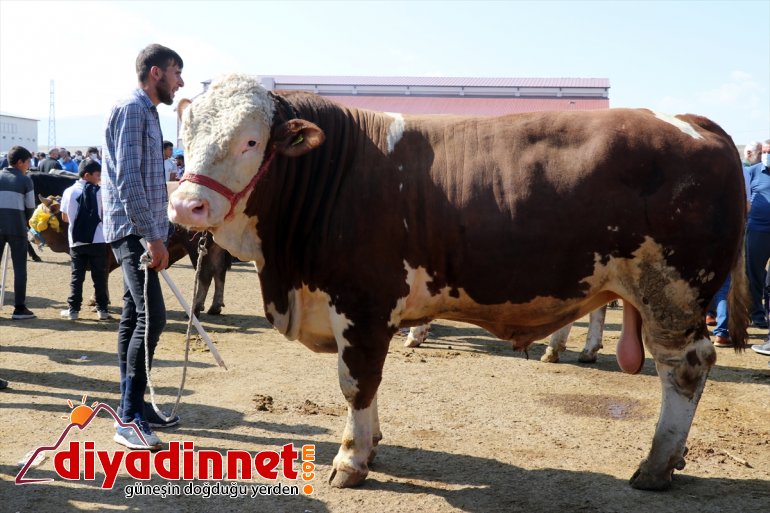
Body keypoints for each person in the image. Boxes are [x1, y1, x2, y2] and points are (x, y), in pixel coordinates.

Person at [102, 43, 184, 450]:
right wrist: (151, 236)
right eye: (176, 72)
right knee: (152, 318)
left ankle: (133, 405)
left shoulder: (148, 112)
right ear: (156, 73)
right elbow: (128, 179)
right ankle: (128, 419)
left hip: (143, 229)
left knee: (135, 316)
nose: (180, 82)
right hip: (134, 231)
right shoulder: (133, 110)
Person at [59, 158, 109, 321]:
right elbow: (104, 214)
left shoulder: (69, 191)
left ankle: (73, 310)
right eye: (97, 175)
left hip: (77, 240)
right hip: (98, 239)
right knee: (99, 276)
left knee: (77, 277)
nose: (99, 178)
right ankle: (102, 310)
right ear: (87, 175)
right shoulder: (100, 192)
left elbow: (65, 217)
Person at [0, 146, 36, 320]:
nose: (29, 165)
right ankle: (19, 309)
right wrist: (23, 220)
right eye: (28, 162)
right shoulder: (25, 180)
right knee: (20, 269)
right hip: (17, 228)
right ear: (20, 162)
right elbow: (31, 208)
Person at [745, 139, 770, 330]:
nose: (766, 156)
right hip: (757, 231)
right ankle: (757, 314)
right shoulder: (752, 172)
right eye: (764, 152)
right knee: (754, 274)